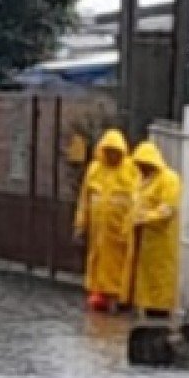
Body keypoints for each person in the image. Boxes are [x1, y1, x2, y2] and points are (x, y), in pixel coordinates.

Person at [72, 129, 139, 312]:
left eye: (115, 152)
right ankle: (99, 297)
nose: (112, 155)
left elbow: (138, 199)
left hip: (121, 232)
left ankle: (121, 299)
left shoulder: (131, 170)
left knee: (120, 268)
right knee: (98, 264)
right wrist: (80, 225)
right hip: (99, 232)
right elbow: (85, 200)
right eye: (108, 151)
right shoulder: (94, 169)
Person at [130, 140, 184, 319]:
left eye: (144, 165)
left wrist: (143, 218)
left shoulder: (170, 179)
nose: (141, 168)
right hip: (144, 247)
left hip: (161, 245)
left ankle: (160, 319)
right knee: (147, 291)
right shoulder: (141, 181)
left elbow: (168, 210)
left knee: (160, 289)